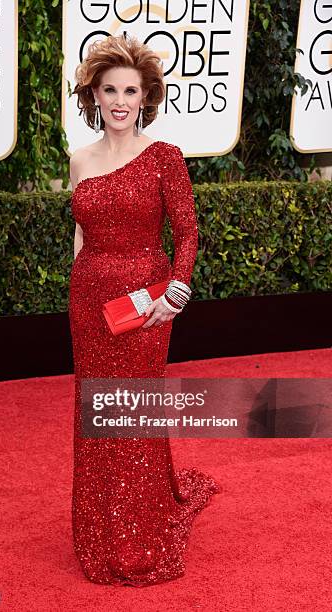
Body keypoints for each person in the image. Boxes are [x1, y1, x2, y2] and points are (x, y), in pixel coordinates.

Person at [68, 33, 221, 587]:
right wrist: (78, 290)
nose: (120, 100)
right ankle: (99, 528)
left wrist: (174, 295)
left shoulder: (164, 159)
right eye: (110, 89)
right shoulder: (79, 159)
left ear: (145, 96)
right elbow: (81, 239)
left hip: (147, 307)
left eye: (130, 90)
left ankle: (140, 528)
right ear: (95, 95)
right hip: (88, 306)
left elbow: (187, 233)